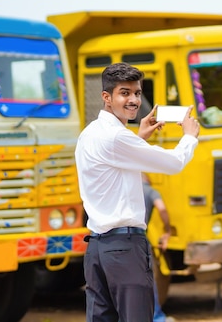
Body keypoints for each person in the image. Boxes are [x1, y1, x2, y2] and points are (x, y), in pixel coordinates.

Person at [75, 62, 199, 322]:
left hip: (97, 249)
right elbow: (174, 163)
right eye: (124, 93)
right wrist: (189, 137)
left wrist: (139, 137)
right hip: (124, 248)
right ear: (106, 97)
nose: (133, 100)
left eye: (137, 93)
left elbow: (113, 166)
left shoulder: (89, 134)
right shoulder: (117, 138)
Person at [142, 173, 175, 322]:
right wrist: (167, 230)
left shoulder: (125, 191)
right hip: (140, 239)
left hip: (117, 240)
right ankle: (156, 317)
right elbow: (162, 209)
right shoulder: (151, 191)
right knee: (148, 280)